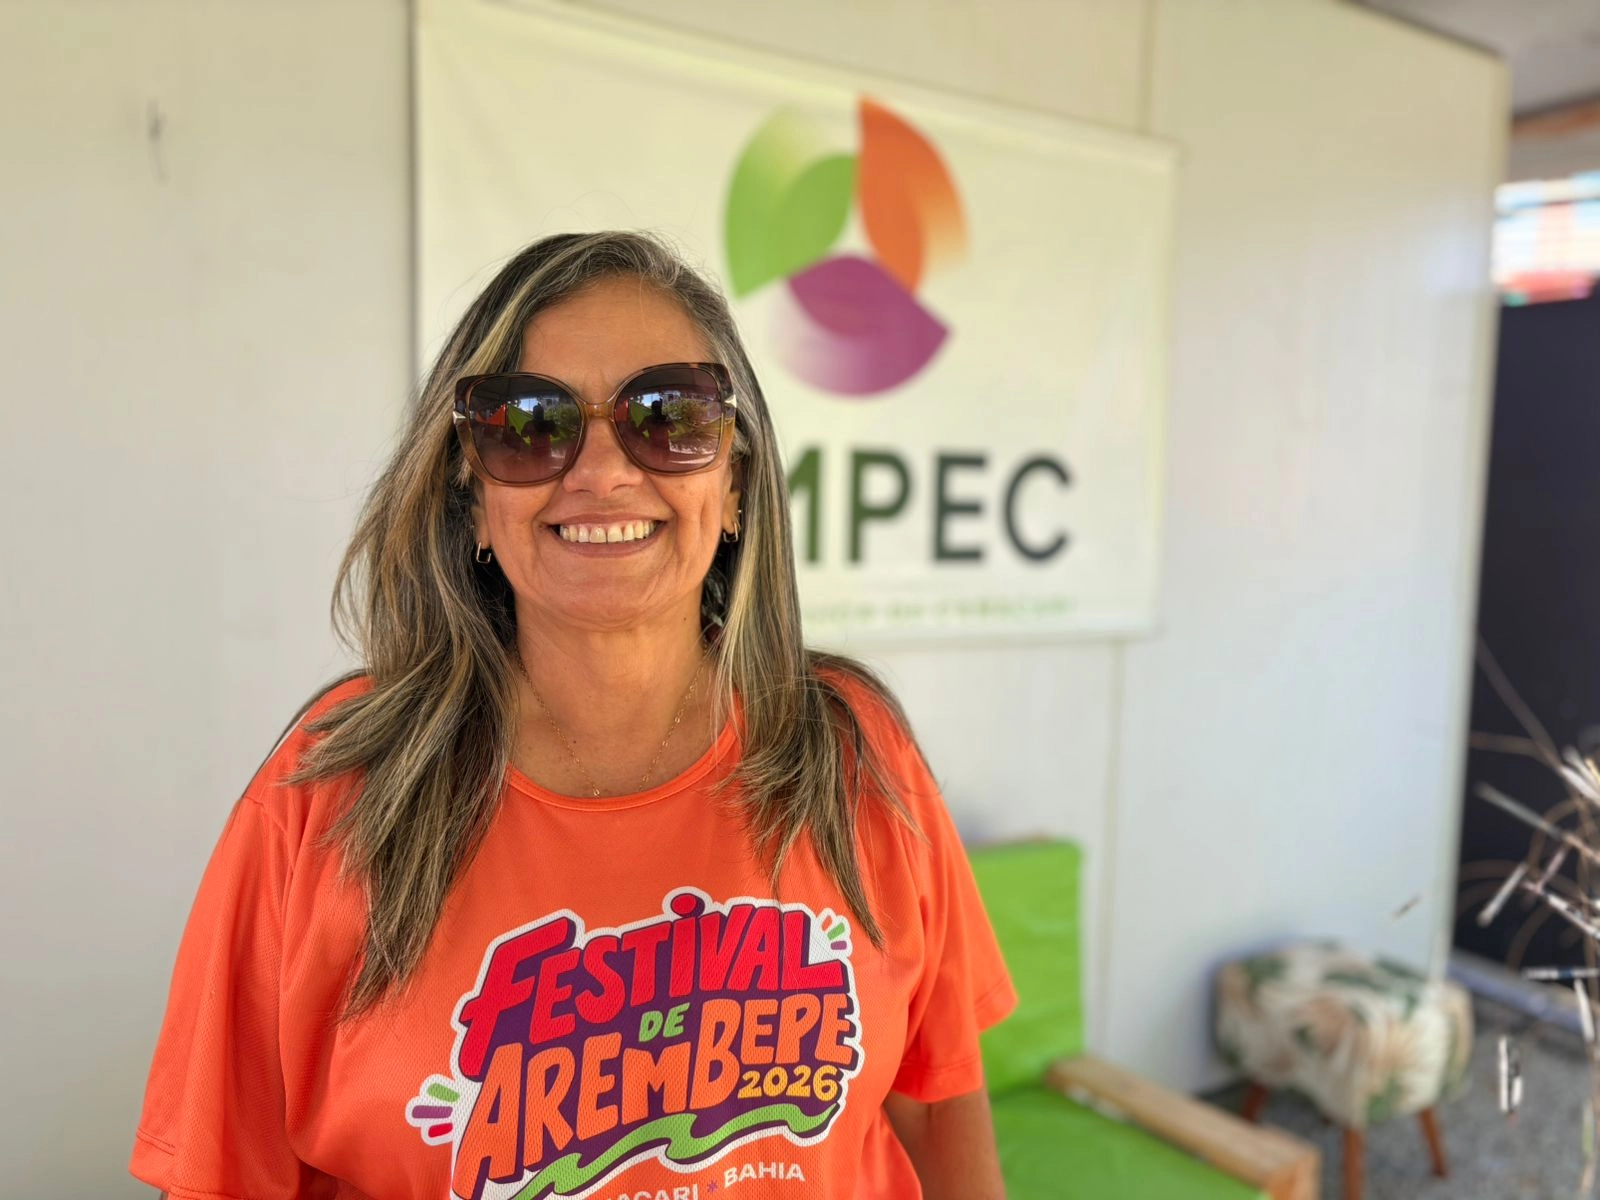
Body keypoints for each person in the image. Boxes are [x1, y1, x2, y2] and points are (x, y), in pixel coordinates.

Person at [130, 231, 1015, 1200]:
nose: (601, 471)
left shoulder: (854, 749)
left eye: (668, 415)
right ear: (470, 495)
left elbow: (937, 1105)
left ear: (734, 484)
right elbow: (219, 1175)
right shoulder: (328, 791)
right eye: (530, 424)